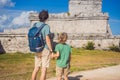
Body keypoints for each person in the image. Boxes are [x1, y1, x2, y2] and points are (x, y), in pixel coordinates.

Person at [31, 10, 53, 80]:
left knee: (36, 68)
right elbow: (47, 39)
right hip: (44, 49)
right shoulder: (46, 26)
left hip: (36, 48)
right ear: (46, 18)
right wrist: (51, 50)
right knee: (43, 70)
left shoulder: (34, 25)